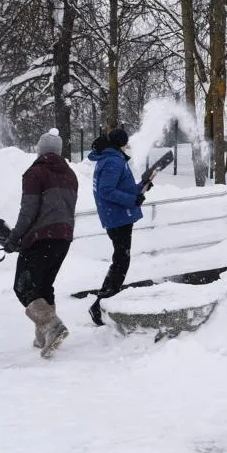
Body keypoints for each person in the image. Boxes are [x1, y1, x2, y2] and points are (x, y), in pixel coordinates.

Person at [4, 130, 78, 358]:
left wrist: (15, 236)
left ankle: (52, 326)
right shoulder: (70, 174)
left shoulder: (35, 173)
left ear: (40, 149)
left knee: (23, 287)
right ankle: (43, 336)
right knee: (44, 287)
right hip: (63, 237)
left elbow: (29, 210)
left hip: (41, 237)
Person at [86, 128, 144, 326]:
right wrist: (132, 200)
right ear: (120, 144)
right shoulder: (113, 161)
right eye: (126, 143)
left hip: (118, 216)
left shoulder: (111, 158)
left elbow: (121, 188)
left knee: (121, 259)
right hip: (118, 218)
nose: (128, 146)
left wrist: (140, 189)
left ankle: (104, 302)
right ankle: (101, 304)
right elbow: (106, 191)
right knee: (121, 261)